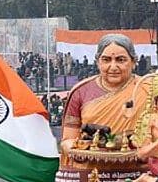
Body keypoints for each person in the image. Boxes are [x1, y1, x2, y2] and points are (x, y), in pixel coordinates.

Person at [58, 34, 151, 165]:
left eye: (120, 60)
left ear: (133, 62)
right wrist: (78, 149)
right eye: (106, 60)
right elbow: (67, 139)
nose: (113, 67)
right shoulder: (80, 92)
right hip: (91, 173)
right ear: (98, 62)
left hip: (138, 173)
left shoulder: (148, 89)